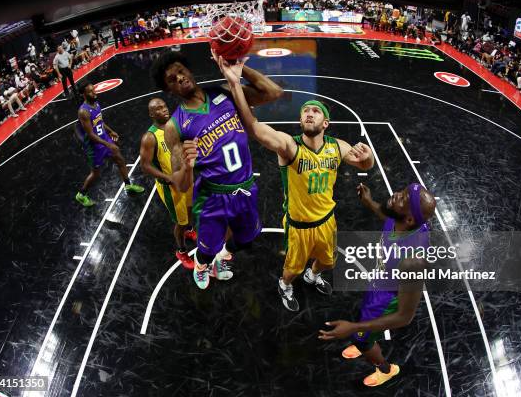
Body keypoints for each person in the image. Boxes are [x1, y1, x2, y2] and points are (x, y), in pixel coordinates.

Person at [216, 55, 375, 312]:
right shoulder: (289, 146)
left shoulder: (337, 147)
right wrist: (235, 83)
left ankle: (313, 276)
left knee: (329, 261)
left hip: (327, 220)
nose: (309, 113)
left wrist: (369, 159)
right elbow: (254, 127)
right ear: (301, 121)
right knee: (292, 269)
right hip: (299, 226)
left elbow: (364, 166)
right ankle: (284, 284)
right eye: (305, 111)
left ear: (326, 123)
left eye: (315, 111)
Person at [151, 50, 283, 290]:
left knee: (245, 240)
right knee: (206, 248)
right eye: (172, 79)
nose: (179, 78)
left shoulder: (224, 91)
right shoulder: (175, 126)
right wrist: (188, 167)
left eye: (181, 71)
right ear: (169, 90)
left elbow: (274, 92)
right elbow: (180, 184)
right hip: (213, 198)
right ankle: (202, 265)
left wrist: (241, 72)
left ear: (189, 70)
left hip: (245, 187)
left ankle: (220, 256)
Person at [318, 182, 436, 387]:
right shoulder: (401, 218)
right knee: (363, 330)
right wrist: (368, 202)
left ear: (409, 219)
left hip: (387, 299)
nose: (396, 194)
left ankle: (385, 368)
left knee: (360, 338)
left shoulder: (413, 260)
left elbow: (404, 317)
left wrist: (353, 328)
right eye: (403, 191)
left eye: (403, 199)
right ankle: (366, 338)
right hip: (378, 282)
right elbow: (386, 216)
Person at [140, 98, 197, 269]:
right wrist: (167, 177)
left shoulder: (175, 126)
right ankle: (181, 250)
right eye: (158, 109)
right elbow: (145, 165)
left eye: (164, 106)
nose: (164, 110)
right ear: (151, 114)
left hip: (186, 177)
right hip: (170, 188)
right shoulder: (149, 137)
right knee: (179, 221)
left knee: (190, 208)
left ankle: (189, 229)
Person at [74, 81, 144, 206]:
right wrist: (108, 144)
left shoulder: (96, 103)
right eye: (90, 91)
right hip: (94, 146)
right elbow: (90, 134)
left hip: (104, 138)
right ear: (83, 95)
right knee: (95, 173)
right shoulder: (83, 112)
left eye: (93, 89)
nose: (94, 92)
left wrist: (111, 131)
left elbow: (100, 121)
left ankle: (128, 185)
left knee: (120, 159)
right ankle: (81, 194)